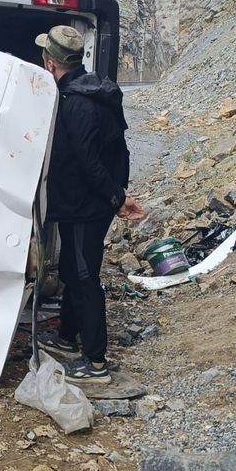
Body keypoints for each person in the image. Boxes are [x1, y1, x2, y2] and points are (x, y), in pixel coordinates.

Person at [34, 25, 144, 384]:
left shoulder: (76, 102)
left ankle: (96, 363)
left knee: (84, 278)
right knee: (72, 267)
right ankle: (67, 337)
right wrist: (116, 194)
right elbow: (116, 149)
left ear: (50, 63)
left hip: (85, 206)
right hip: (88, 203)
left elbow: (88, 162)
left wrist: (117, 198)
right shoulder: (94, 88)